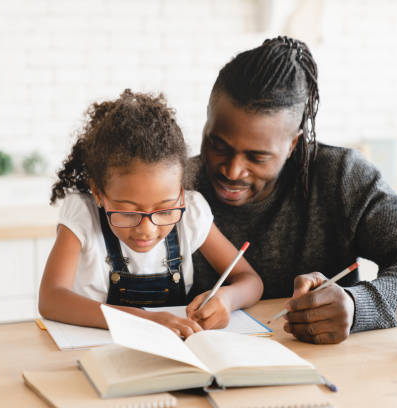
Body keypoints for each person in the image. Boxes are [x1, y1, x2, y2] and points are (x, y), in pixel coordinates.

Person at [187, 36, 397, 344]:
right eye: (217, 145)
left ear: (292, 145)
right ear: (207, 120)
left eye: (257, 157)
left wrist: (357, 305)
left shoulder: (339, 176)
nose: (232, 170)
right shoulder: (176, 186)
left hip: (328, 369)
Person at [39, 90, 263, 338]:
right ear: (98, 192)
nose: (147, 229)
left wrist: (227, 300)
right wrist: (146, 320)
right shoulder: (83, 214)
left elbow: (250, 280)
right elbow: (52, 299)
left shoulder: (191, 212)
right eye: (128, 211)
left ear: (180, 192)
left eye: (165, 209)